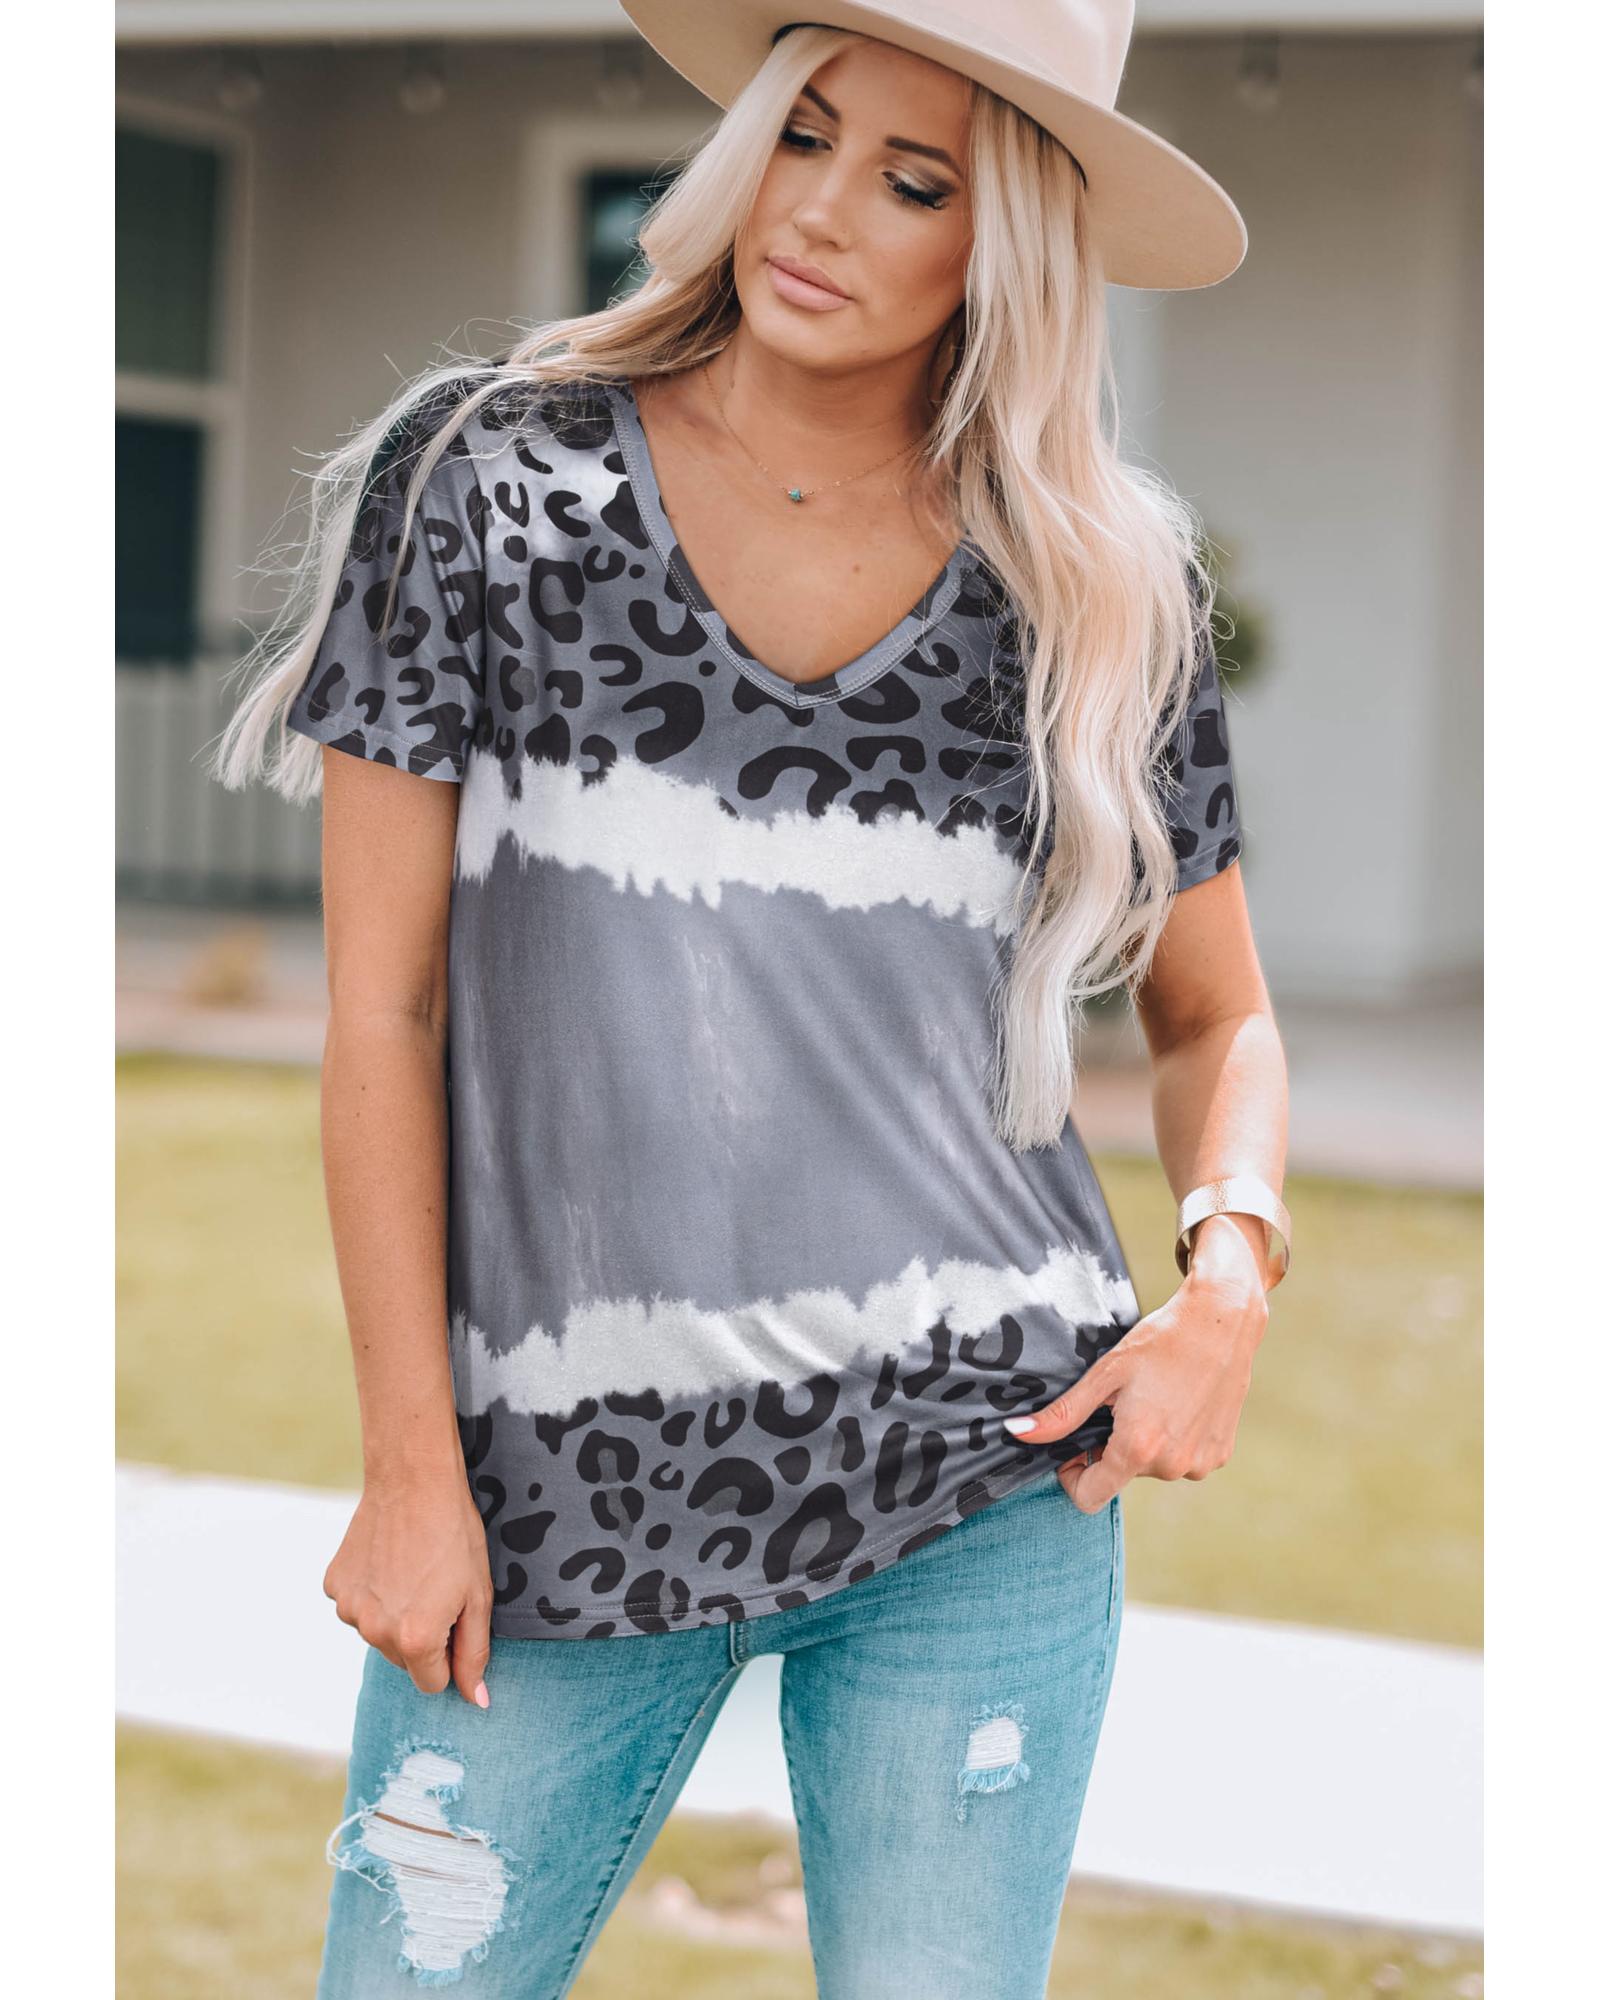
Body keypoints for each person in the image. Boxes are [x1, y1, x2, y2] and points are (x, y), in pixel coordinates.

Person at [214, 4, 1291, 1994]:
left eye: (913, 182)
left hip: (981, 1492)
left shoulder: (1095, 586)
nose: (819, 211)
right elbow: (383, 1017)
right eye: (802, 134)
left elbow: (1215, 1015)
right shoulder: (487, 482)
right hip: (545, 1502)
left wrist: (1224, 1282)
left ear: (1008, 247)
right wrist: (407, 1472)